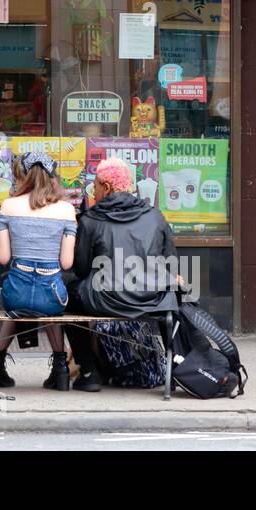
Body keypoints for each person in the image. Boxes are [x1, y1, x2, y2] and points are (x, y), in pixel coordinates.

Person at [63, 157, 179, 392]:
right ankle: (175, 371)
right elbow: (170, 264)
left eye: (95, 185)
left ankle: (89, 372)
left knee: (64, 293)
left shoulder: (90, 220)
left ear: (106, 187)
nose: (92, 190)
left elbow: (82, 269)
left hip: (105, 299)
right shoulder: (155, 216)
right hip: (150, 298)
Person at [0, 152, 77, 392]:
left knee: (15, 307)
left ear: (23, 176)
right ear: (52, 176)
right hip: (52, 296)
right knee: (50, 308)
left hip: (15, 295)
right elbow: (66, 263)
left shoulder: (8, 206)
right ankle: (60, 371)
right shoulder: (66, 210)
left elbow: (3, 258)